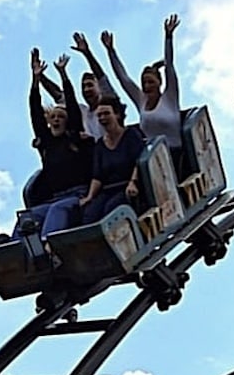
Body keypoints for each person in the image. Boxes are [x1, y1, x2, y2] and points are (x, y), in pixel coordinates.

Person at [12, 50, 94, 242]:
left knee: (56, 212)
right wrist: (35, 79)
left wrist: (63, 75)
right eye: (53, 117)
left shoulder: (73, 136)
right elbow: (35, 112)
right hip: (54, 197)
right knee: (28, 218)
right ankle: (16, 253)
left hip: (76, 194)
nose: (56, 120)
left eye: (61, 117)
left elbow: (72, 106)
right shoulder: (46, 142)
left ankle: (48, 249)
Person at [101, 14, 183, 169]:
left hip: (176, 154)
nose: (147, 86)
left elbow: (170, 66)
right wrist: (111, 51)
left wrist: (168, 37)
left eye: (151, 82)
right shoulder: (141, 100)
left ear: (159, 82)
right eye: (144, 83)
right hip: (153, 158)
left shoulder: (169, 97)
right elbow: (123, 78)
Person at [78, 94, 146, 224]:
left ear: (117, 115)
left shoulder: (131, 135)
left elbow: (139, 161)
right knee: (90, 214)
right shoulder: (100, 145)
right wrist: (90, 196)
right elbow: (97, 176)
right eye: (99, 115)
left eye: (106, 114)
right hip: (108, 190)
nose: (103, 118)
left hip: (127, 186)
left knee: (111, 210)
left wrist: (133, 182)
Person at [36, 33, 117, 139]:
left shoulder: (110, 103)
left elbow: (102, 79)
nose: (86, 89)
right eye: (83, 86)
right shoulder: (82, 111)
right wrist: (39, 76)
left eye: (90, 85)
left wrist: (87, 54)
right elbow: (58, 95)